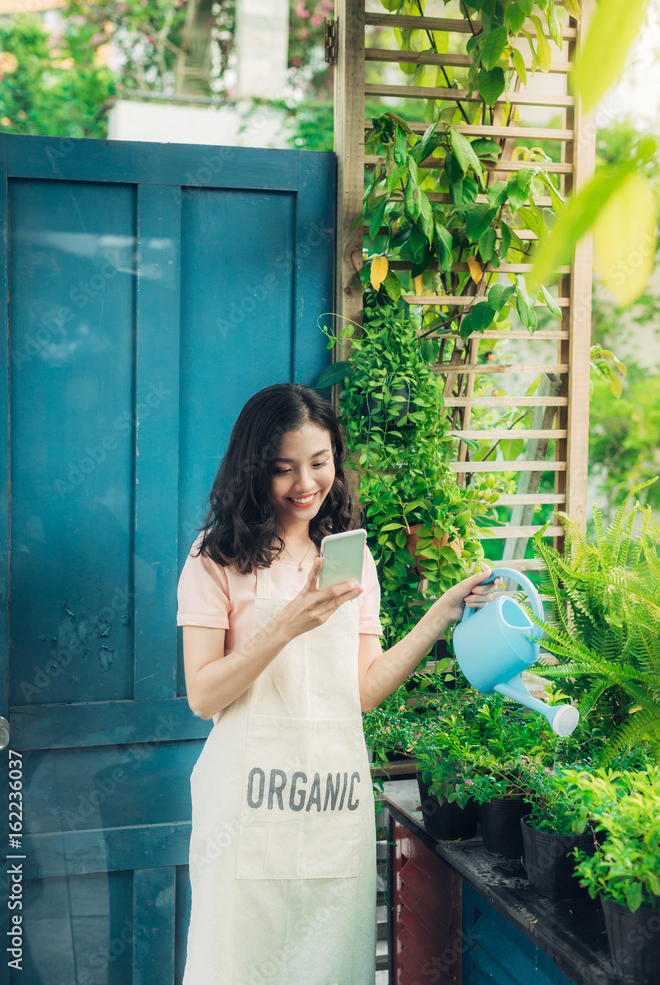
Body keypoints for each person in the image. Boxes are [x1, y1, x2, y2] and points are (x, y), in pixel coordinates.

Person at [177, 382, 496, 985]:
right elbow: (203, 696)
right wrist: (289, 623)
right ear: (253, 469)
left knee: (329, 965)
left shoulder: (350, 558)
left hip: (331, 808)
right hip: (245, 817)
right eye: (283, 468)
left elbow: (363, 691)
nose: (305, 483)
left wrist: (438, 618)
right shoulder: (214, 557)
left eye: (319, 463)